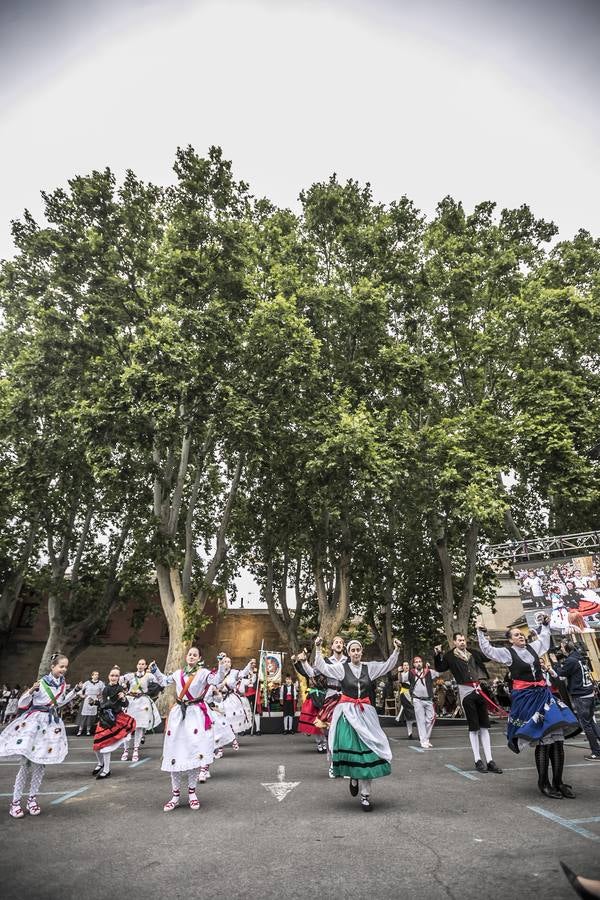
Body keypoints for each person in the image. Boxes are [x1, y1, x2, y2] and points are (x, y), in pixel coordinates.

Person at [477, 621, 579, 798]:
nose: (520, 636)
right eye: (516, 635)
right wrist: (479, 632)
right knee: (543, 740)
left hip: (543, 694)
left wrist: (545, 626)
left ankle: (558, 782)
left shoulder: (533, 648)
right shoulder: (507, 654)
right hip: (526, 698)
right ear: (510, 640)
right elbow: (488, 650)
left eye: (521, 634)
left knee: (557, 739)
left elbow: (545, 640)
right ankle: (543, 782)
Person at [313, 636, 401, 811]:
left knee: (369, 751)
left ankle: (365, 795)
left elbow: (387, 665)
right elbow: (322, 667)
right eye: (352, 650)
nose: (355, 653)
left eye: (358, 650)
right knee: (353, 750)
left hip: (365, 713)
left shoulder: (370, 668)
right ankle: (354, 777)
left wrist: (397, 650)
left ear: (362, 652)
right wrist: (318, 648)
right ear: (348, 652)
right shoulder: (341, 668)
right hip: (347, 713)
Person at [0, 653, 80, 818]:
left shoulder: (62, 685)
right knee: (26, 765)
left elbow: (59, 704)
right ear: (53, 667)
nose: (63, 670)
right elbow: (22, 704)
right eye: (61, 666)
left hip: (50, 726)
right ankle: (15, 802)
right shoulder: (41, 683)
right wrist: (30, 691)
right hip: (34, 725)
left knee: (40, 764)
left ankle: (32, 799)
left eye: (66, 667)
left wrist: (75, 693)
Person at [150, 647, 226, 811]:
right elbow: (164, 681)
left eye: (195, 655)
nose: (191, 656)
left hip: (195, 715)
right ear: (186, 657)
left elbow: (217, 679)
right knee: (174, 755)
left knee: (194, 754)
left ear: (199, 658)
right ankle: (175, 796)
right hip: (178, 716)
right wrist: (156, 671)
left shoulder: (204, 673)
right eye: (190, 654)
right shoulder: (178, 674)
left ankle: (192, 793)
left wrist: (220, 664)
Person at [434, 634, 503, 775]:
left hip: (479, 691)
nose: (463, 642)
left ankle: (490, 760)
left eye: (464, 640)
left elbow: (488, 656)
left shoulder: (472, 653)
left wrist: (487, 642)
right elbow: (440, 668)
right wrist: (437, 654)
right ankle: (478, 759)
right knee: (474, 727)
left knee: (485, 726)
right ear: (454, 642)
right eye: (459, 640)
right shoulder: (449, 656)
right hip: (466, 693)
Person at [555, 641, 600, 760]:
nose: (561, 650)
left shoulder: (570, 661)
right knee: (591, 722)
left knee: (587, 725)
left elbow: (560, 674)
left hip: (581, 695)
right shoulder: (579, 657)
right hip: (588, 693)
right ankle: (598, 750)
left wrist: (556, 663)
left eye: (562, 648)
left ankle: (596, 752)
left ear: (566, 649)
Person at [92, 666, 136, 779]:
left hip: (116, 719)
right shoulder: (105, 688)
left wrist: (123, 699)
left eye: (116, 675)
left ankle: (106, 770)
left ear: (118, 677)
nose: (114, 677)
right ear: (108, 676)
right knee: (97, 746)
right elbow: (103, 704)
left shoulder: (120, 688)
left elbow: (125, 705)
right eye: (112, 675)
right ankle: (100, 764)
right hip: (104, 719)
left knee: (106, 746)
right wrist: (95, 702)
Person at [119, 659, 162, 762]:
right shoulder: (131, 675)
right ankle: (125, 750)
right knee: (127, 727)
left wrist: (152, 690)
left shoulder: (149, 676)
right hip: (130, 701)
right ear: (137, 665)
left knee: (139, 726)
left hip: (142, 702)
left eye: (143, 664)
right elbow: (120, 680)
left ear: (146, 666)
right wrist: (123, 685)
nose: (141, 665)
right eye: (139, 664)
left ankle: (135, 750)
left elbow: (159, 683)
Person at [407, 656, 439, 749]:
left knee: (431, 718)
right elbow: (402, 679)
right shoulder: (411, 673)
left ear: (422, 663)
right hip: (417, 700)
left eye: (420, 661)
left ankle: (426, 738)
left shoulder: (428, 672)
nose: (418, 663)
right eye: (416, 662)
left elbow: (438, 672)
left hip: (428, 699)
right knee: (420, 721)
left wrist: (431, 666)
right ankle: (423, 741)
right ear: (413, 664)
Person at [76, 671, 104, 736]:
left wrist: (100, 696)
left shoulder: (100, 683)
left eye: (97, 675)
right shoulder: (87, 683)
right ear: (92, 676)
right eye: (95, 675)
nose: (96, 676)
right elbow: (80, 690)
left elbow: (104, 691)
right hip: (87, 699)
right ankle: (80, 730)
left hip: (95, 700)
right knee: (84, 715)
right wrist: (82, 695)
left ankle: (88, 730)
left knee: (91, 716)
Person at [396, 663, 416, 738]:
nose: (406, 666)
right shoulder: (401, 674)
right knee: (407, 713)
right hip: (403, 694)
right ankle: (409, 733)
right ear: (402, 667)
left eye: (407, 665)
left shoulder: (411, 673)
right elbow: (400, 681)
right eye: (404, 665)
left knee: (413, 712)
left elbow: (413, 683)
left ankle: (420, 731)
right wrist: (398, 672)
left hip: (411, 694)